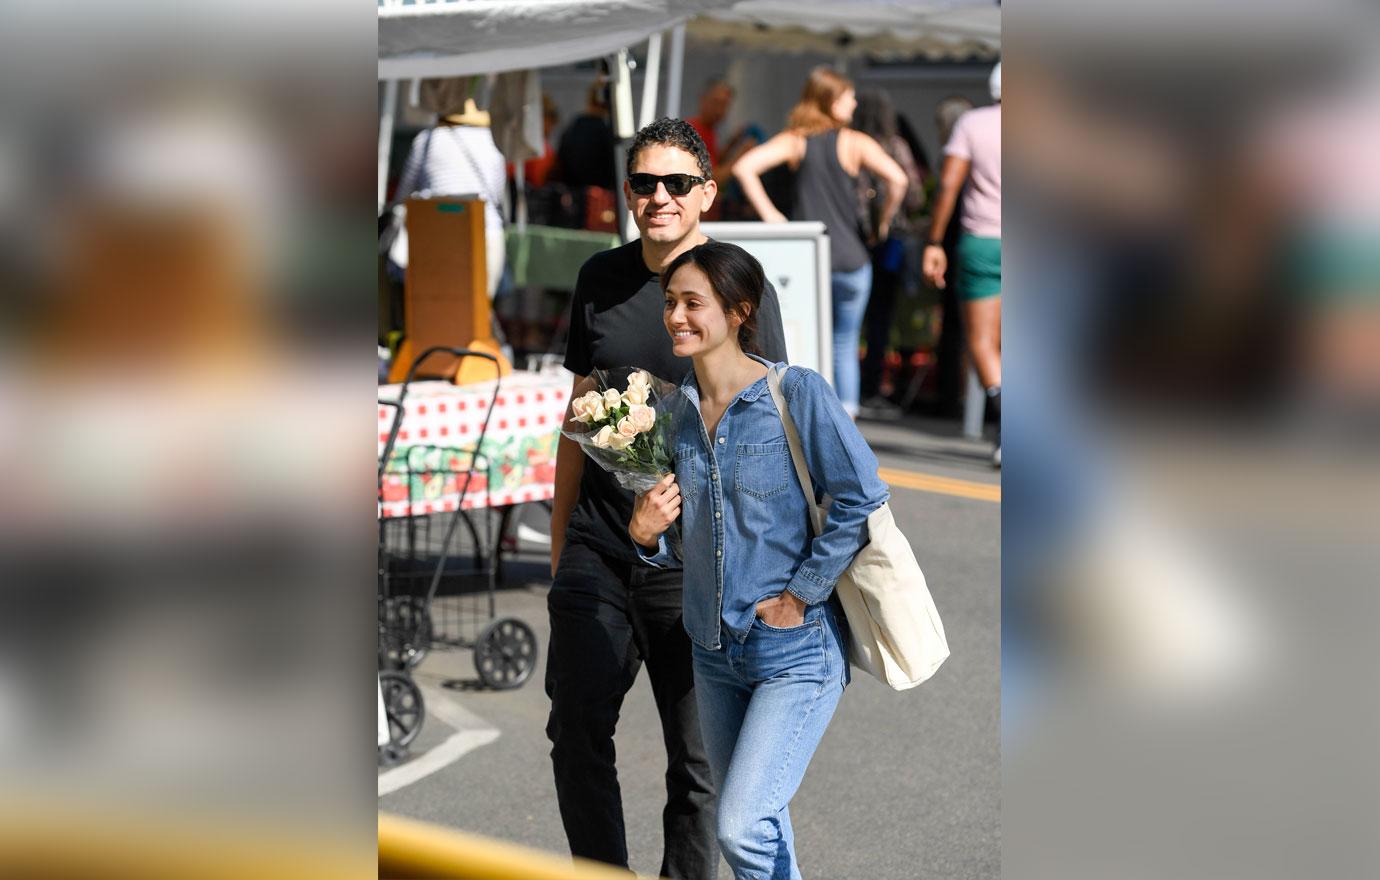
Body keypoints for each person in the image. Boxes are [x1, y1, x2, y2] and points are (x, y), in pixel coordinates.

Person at [548, 118, 789, 879]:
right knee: (577, 730)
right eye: (644, 183)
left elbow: (765, 432)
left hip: (696, 563)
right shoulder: (599, 280)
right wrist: (562, 549)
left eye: (676, 183)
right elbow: (578, 420)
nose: (660, 197)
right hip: (600, 544)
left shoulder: (739, 288)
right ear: (627, 193)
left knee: (698, 762)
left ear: (706, 194)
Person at [628, 240, 889, 880]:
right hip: (712, 654)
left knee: (741, 827)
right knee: (760, 826)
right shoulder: (673, 413)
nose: (676, 317)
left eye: (694, 303)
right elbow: (687, 541)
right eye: (670, 303)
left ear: (740, 311)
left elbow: (860, 496)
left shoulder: (793, 393)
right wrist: (646, 535)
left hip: (793, 649)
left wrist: (800, 595)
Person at [733, 66, 909, 418]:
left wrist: (772, 216)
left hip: (810, 259)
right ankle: (847, 419)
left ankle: (808, 415)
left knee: (808, 339)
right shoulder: (856, 142)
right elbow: (899, 180)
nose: (854, 103)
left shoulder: (796, 140)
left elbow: (744, 168)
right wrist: (884, 222)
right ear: (829, 100)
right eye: (848, 97)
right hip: (853, 259)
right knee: (844, 342)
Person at [923, 64, 1002, 466]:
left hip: (983, 241)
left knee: (983, 340)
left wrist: (934, 240)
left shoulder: (973, 123)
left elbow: (951, 182)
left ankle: (1006, 418)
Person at [853, 89, 926, 419]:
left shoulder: (850, 143)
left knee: (850, 317)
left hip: (854, 236)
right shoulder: (896, 145)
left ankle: (845, 387)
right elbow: (914, 195)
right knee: (882, 315)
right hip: (891, 239)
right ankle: (870, 387)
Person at [392, 98, 509, 299]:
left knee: (432, 304)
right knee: (477, 308)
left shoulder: (428, 138)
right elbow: (496, 194)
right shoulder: (492, 142)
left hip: (435, 232)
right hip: (484, 230)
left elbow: (405, 193)